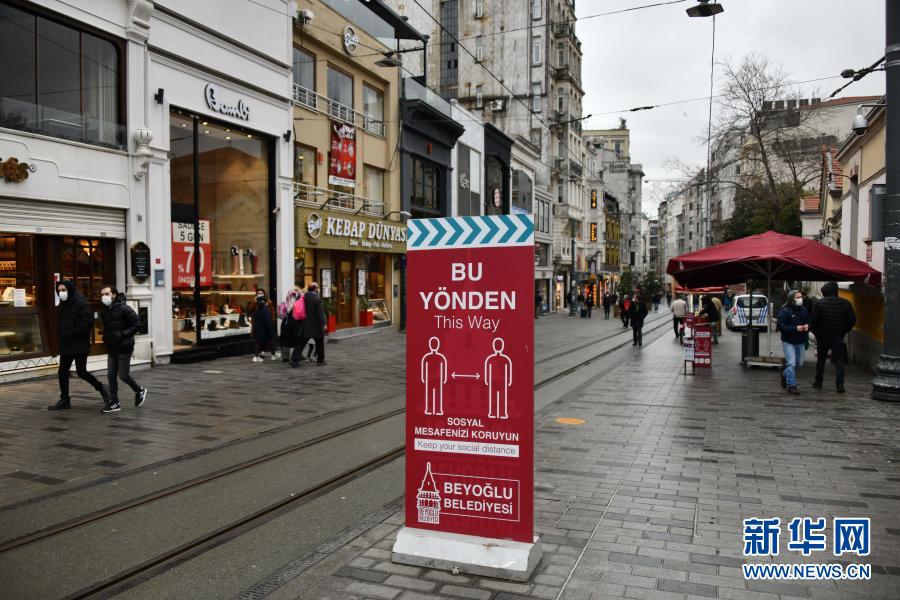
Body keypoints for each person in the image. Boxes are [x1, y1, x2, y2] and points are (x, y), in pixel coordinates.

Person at [49, 280, 110, 410]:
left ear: (70, 290)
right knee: (62, 372)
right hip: (66, 344)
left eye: (63, 290)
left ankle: (101, 388)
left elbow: (87, 323)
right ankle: (64, 400)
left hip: (79, 344)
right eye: (59, 291)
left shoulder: (81, 304)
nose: (61, 293)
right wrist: (61, 335)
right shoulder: (63, 305)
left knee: (81, 372)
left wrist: (73, 333)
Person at [99, 286, 147, 413]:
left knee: (123, 375)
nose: (104, 297)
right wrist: (105, 336)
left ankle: (139, 390)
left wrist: (122, 334)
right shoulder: (104, 311)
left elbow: (137, 324)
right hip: (112, 347)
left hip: (124, 346)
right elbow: (108, 328)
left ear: (114, 294)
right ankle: (115, 402)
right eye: (102, 294)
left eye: (107, 294)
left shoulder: (124, 308)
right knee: (111, 375)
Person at [810, 281, 856, 393]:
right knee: (839, 361)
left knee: (821, 360)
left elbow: (813, 322)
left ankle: (818, 382)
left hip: (822, 336)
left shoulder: (819, 304)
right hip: (838, 336)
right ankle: (840, 385)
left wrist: (817, 333)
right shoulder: (846, 303)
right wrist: (843, 331)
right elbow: (852, 320)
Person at [777, 290, 810, 395]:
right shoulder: (784, 311)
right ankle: (792, 386)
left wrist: (808, 326)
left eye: (801, 297)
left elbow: (809, 321)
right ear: (792, 299)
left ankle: (784, 374)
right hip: (788, 341)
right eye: (798, 297)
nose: (800, 299)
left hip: (800, 341)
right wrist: (795, 328)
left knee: (799, 364)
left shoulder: (804, 310)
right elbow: (781, 327)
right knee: (791, 363)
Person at [290, 282, 327, 367]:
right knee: (319, 343)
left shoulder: (302, 296)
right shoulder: (317, 299)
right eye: (317, 287)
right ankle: (320, 361)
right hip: (316, 325)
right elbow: (321, 313)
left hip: (304, 324)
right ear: (315, 289)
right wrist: (324, 323)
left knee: (300, 343)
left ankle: (294, 360)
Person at [251, 290, 276, 362]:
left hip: (258, 329)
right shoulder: (266, 310)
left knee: (258, 342)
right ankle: (273, 355)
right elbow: (268, 321)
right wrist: (271, 329)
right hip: (266, 329)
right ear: (265, 302)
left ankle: (256, 356)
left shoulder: (257, 310)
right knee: (270, 342)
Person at [278, 288, 302, 362]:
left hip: (286, 323)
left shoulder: (284, 302)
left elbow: (280, 315)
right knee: (296, 339)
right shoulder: (297, 303)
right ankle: (297, 355)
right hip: (294, 323)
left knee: (285, 340)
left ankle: (285, 357)